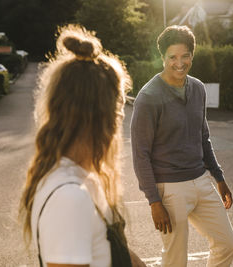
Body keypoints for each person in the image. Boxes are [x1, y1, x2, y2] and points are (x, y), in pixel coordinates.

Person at [19, 24, 145, 267]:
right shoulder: (69, 197)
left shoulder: (82, 179)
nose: (120, 119)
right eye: (118, 108)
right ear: (101, 117)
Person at [130, 25, 233, 267]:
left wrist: (219, 178)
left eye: (185, 56)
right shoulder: (148, 97)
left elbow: (203, 137)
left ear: (192, 55)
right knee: (175, 261)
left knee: (227, 244)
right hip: (169, 189)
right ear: (162, 57)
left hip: (201, 181)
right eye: (172, 57)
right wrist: (154, 201)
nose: (179, 63)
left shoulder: (198, 88)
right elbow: (140, 155)